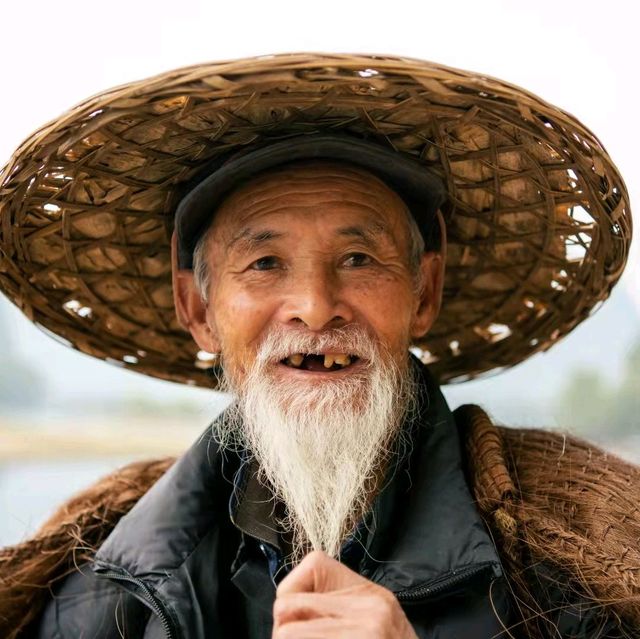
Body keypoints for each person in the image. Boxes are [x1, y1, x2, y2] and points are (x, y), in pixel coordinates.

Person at [0, 53, 635, 638]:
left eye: (359, 258)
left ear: (424, 292)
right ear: (198, 309)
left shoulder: (589, 567)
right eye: (265, 262)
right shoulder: (101, 595)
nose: (314, 305)